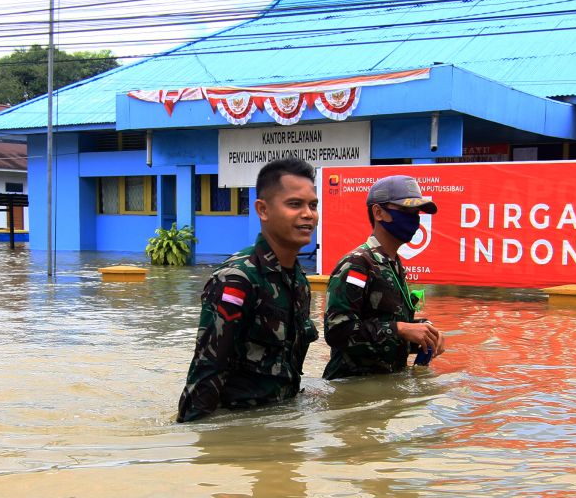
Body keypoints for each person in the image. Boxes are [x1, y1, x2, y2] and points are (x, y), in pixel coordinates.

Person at [176, 158, 320, 422]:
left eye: (313, 205)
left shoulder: (298, 280)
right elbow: (207, 371)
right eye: (295, 204)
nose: (308, 214)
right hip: (236, 431)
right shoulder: (237, 279)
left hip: (280, 429)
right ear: (262, 210)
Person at [322, 174, 446, 380]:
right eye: (406, 211)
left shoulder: (393, 264)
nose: (414, 219)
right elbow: (337, 331)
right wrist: (399, 329)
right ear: (378, 212)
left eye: (417, 212)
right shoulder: (357, 264)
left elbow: (387, 325)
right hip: (352, 389)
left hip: (387, 386)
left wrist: (424, 331)